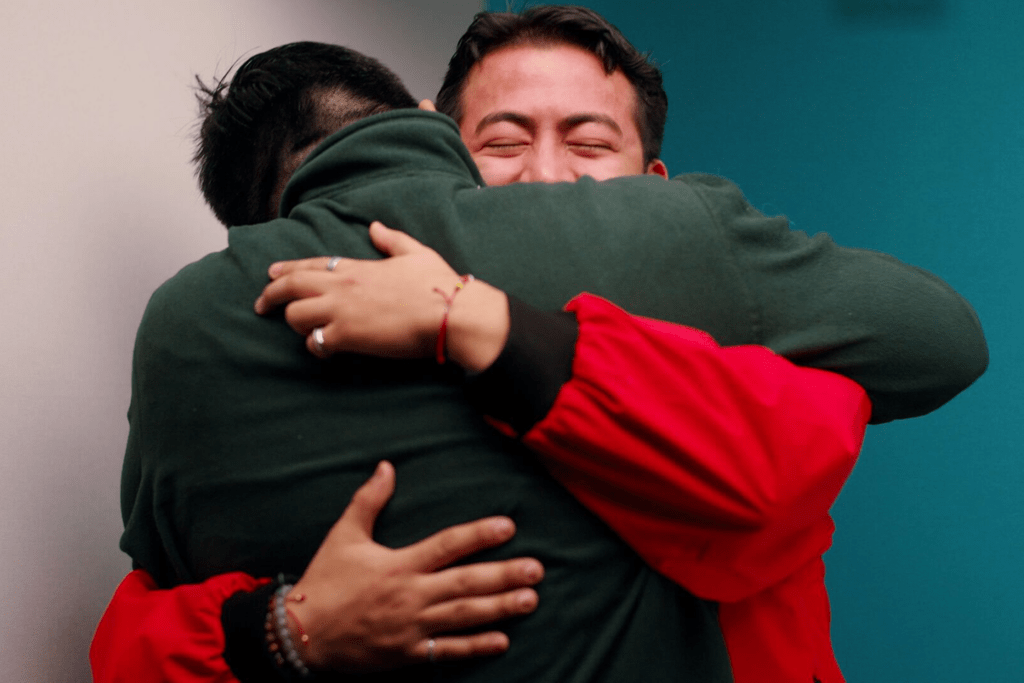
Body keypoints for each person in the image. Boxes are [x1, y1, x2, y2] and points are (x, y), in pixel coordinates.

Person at [92, 10, 986, 683]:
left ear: (653, 187)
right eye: (503, 141)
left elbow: (805, 442)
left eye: (590, 143)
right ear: (434, 147)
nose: (547, 176)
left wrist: (480, 319)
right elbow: (142, 626)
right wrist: (287, 625)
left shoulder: (703, 276)